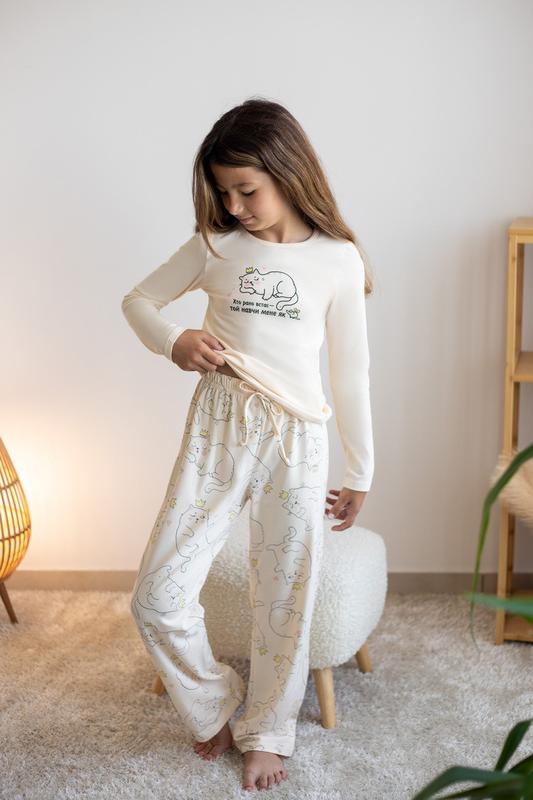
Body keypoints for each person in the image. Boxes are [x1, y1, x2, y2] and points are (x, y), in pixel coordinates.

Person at [121, 97, 375, 793]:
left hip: (297, 438)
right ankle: (213, 705)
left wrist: (361, 470)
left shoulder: (337, 260)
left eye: (246, 190)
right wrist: (173, 340)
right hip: (220, 424)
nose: (233, 207)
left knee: (284, 592)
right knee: (157, 594)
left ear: (288, 174)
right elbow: (138, 301)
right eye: (222, 192)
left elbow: (350, 375)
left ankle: (268, 729)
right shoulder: (216, 246)